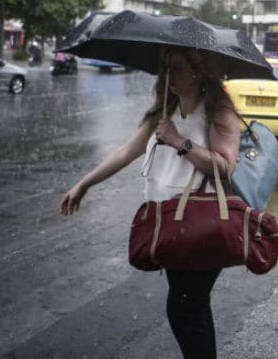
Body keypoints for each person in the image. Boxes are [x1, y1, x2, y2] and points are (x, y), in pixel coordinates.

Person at [60, 46, 241, 358]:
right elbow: (125, 152)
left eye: (179, 68)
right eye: (167, 67)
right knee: (190, 307)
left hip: (205, 224)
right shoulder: (163, 112)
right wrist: (84, 184)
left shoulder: (218, 112)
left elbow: (225, 166)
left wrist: (179, 142)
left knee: (184, 307)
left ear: (199, 72)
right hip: (170, 223)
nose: (170, 76)